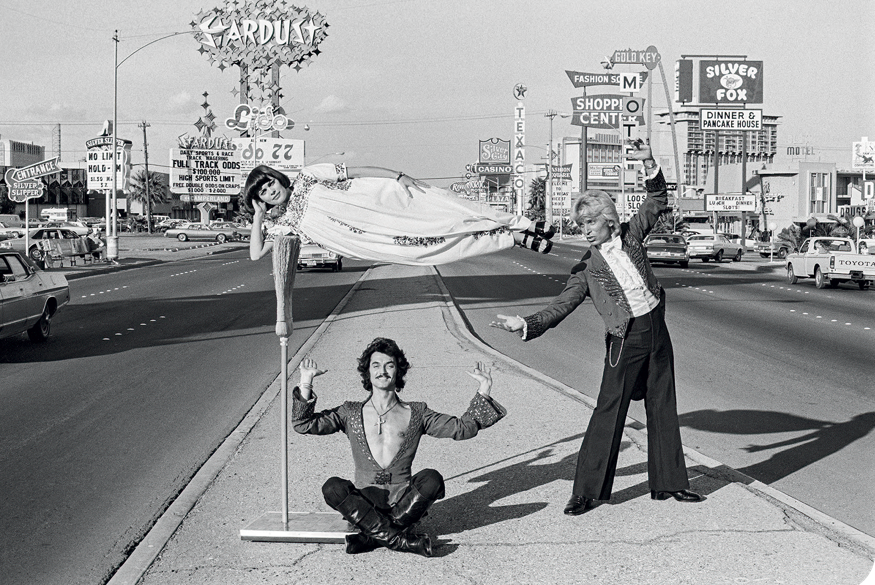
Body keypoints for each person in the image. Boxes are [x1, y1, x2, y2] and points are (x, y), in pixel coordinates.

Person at [491, 139, 704, 516]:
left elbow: (657, 201)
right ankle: (586, 492)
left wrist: (649, 162)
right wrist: (526, 323)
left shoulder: (633, 235)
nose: (586, 231)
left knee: (663, 405)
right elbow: (564, 304)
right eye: (581, 225)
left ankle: (669, 484)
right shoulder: (586, 268)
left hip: (657, 328)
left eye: (590, 223)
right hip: (626, 339)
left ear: (608, 219)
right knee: (609, 411)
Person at [292, 337, 506, 556]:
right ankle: (401, 540)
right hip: (364, 505)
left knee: (432, 479)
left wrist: (484, 388)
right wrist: (306, 382)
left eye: (389, 365)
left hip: (403, 506)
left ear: (398, 371)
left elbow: (463, 429)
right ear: (368, 372)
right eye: (376, 365)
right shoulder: (350, 412)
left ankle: (372, 536)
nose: (382, 371)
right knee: (332, 487)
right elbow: (303, 424)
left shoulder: (417, 412)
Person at [245, 163, 557, 266]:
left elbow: (355, 170)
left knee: (442, 207)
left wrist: (397, 176)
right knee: (430, 248)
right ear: (261, 199)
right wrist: (259, 218)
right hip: (374, 239)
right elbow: (257, 254)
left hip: (382, 206)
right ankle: (512, 238)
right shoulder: (284, 224)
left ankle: (524, 223)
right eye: (263, 193)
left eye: (270, 183)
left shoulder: (307, 175)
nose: (270, 191)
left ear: (277, 178)